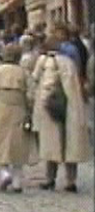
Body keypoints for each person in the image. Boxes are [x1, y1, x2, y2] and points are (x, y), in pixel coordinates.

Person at [31, 36, 91, 192]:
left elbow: (45, 84)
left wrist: (40, 104)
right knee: (70, 143)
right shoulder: (69, 62)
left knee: (52, 143)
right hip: (71, 106)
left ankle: (50, 179)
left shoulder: (46, 62)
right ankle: (71, 181)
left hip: (53, 107)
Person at [0, 44, 38, 192]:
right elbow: (31, 95)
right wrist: (29, 109)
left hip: (1, 109)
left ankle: (4, 172)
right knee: (18, 145)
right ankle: (17, 181)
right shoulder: (24, 73)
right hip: (19, 110)